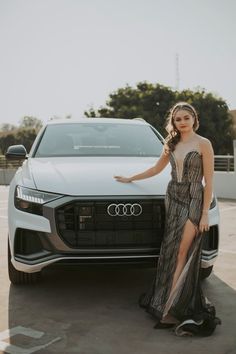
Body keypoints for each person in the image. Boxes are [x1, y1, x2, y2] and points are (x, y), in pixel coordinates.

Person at [114, 102, 221, 336]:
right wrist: (131, 178)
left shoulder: (204, 144)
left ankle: (172, 310)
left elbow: (209, 183)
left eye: (186, 118)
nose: (182, 122)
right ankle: (165, 302)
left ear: (194, 119)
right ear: (173, 122)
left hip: (193, 199)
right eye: (177, 119)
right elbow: (155, 169)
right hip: (173, 197)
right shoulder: (171, 143)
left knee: (183, 252)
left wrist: (204, 213)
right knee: (170, 251)